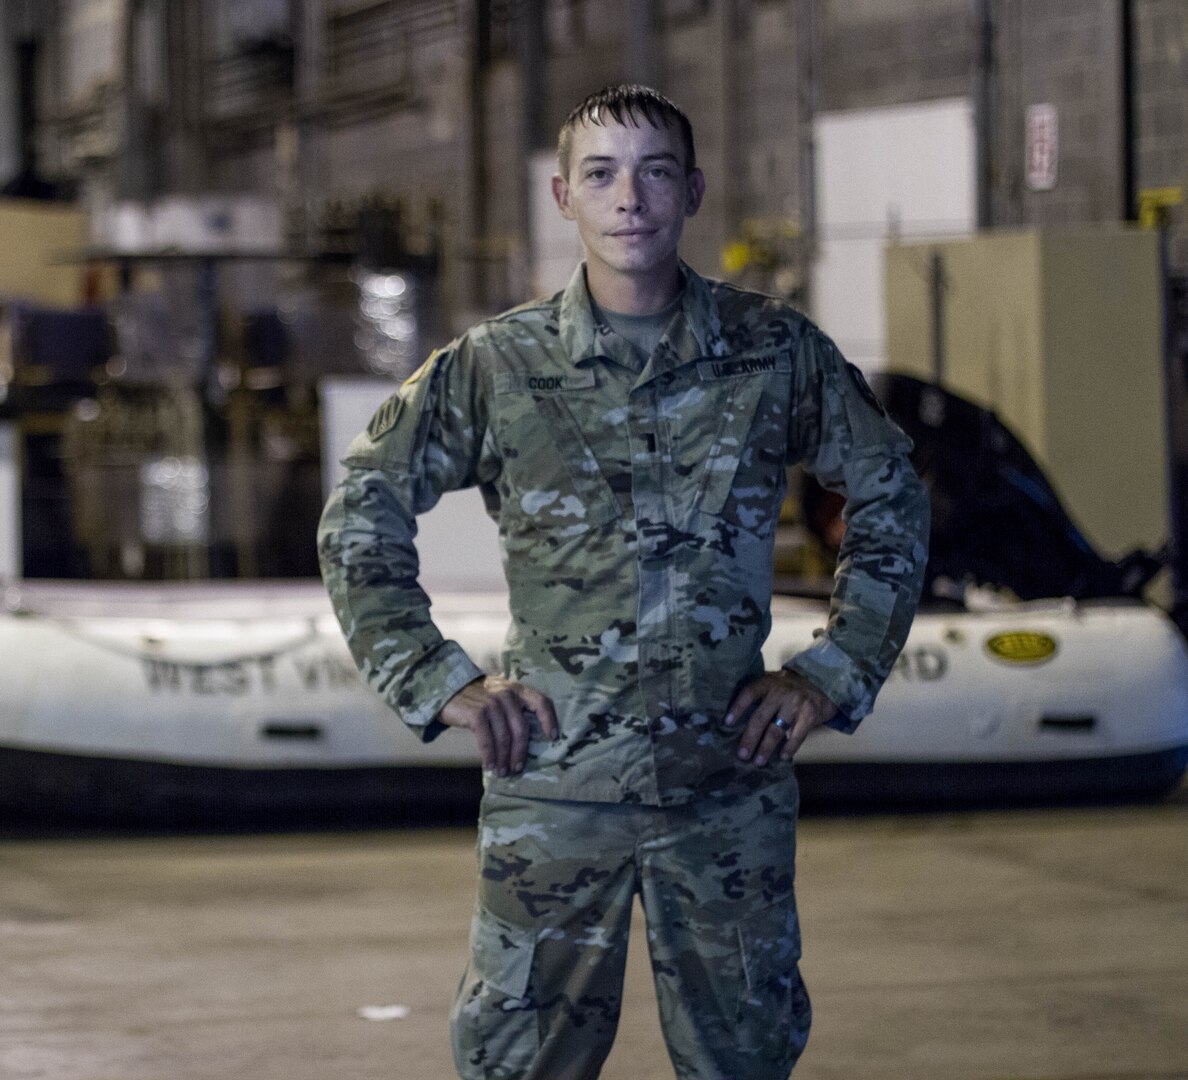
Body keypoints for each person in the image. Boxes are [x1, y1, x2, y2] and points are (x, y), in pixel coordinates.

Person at [318, 85, 928, 1080]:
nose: (629, 197)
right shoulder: (497, 368)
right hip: (556, 795)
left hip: (725, 792)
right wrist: (439, 680)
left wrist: (832, 670)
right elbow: (360, 516)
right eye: (601, 174)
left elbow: (891, 494)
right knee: (521, 1064)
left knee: (744, 1059)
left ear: (691, 189)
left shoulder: (773, 353)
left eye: (653, 171)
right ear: (564, 196)